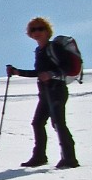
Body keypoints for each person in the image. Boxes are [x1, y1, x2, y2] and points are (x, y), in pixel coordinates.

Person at [6, 17, 79, 169]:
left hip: (57, 89)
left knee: (58, 123)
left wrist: (51, 74)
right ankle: (40, 156)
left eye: (40, 29)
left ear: (47, 31)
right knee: (38, 123)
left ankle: (69, 159)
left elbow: (66, 67)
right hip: (45, 92)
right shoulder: (40, 51)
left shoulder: (54, 48)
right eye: (33, 30)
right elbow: (39, 73)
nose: (37, 32)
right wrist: (17, 72)